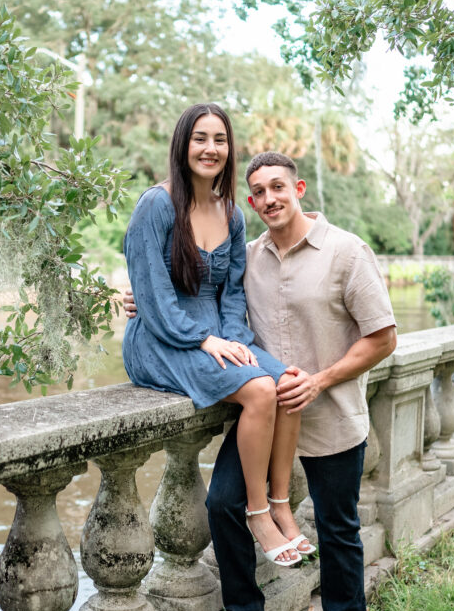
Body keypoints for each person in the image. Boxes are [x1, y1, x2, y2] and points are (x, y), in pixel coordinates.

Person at [204, 152, 397, 611]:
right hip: (264, 426)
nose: (269, 199)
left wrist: (321, 378)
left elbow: (382, 337)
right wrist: (137, 301)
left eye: (277, 188)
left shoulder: (346, 251)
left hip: (330, 417)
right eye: (258, 192)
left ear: (300, 188)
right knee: (222, 504)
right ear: (249, 201)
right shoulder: (245, 259)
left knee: (338, 534)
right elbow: (196, 296)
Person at [122, 105, 314, 567]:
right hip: (161, 338)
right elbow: (153, 298)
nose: (211, 149)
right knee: (260, 390)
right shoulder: (156, 205)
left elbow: (232, 296)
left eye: (220, 140)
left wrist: (235, 341)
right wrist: (204, 341)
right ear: (182, 144)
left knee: (287, 381)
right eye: (200, 138)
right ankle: (257, 512)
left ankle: (282, 504)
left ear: (229, 151)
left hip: (219, 335)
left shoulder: (231, 212)